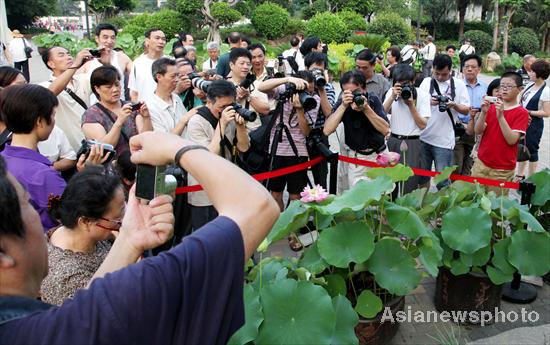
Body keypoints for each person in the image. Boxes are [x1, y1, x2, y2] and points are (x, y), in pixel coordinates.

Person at [0, 129, 279, 344]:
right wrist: (176, 147)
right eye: (27, 204)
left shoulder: (38, 327)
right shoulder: (120, 300)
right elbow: (256, 208)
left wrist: (129, 240)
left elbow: (83, 313)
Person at [41, 167, 125, 305]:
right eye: (118, 217)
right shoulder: (68, 278)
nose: (124, 219)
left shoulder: (89, 235)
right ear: (86, 222)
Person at [185, 80, 250, 230]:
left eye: (230, 105)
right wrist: (221, 124)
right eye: (221, 107)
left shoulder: (231, 116)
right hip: (204, 193)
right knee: (207, 239)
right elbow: (207, 158)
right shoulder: (197, 122)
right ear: (209, 101)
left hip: (228, 188)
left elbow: (244, 148)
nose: (226, 110)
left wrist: (240, 127)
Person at [0, 84, 66, 230]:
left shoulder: (3, 161)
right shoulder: (44, 176)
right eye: (53, 115)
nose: (54, 120)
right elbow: (71, 219)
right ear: (40, 121)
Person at [257, 72, 320, 211]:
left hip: (298, 151)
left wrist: (299, 110)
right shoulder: (285, 90)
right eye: (304, 91)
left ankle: (293, 230)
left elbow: (306, 132)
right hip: (277, 148)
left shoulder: (314, 99)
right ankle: (279, 225)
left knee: (295, 197)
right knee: (275, 193)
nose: (307, 94)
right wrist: (288, 80)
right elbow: (261, 87)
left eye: (310, 90)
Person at [324, 71, 390, 191]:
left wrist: (366, 108)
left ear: (364, 88)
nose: (353, 96)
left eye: (356, 92)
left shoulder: (373, 100)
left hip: (379, 155)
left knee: (381, 197)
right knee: (358, 197)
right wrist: (343, 106)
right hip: (357, 159)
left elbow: (385, 129)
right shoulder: (343, 104)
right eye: (348, 93)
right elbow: (327, 130)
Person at [418, 54, 470, 189]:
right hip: (424, 137)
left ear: (451, 70)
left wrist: (453, 105)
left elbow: (466, 110)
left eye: (444, 74)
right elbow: (415, 104)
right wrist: (428, 102)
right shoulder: (426, 82)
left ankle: (443, 208)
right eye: (437, 73)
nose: (440, 77)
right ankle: (421, 206)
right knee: (422, 177)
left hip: (444, 141)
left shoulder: (458, 85)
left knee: (442, 180)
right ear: (432, 69)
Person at [472, 72, 529, 195]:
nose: (503, 89)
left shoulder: (521, 113)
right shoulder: (492, 107)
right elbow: (478, 131)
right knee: (474, 200)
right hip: (481, 163)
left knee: (495, 208)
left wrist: (501, 116)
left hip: (502, 170)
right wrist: (483, 113)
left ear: (519, 89)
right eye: (502, 86)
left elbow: (512, 140)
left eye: (509, 86)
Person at [82, 65, 153, 158]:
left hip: (136, 164)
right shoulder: (91, 115)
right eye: (108, 87)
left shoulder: (130, 107)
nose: (115, 89)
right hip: (110, 169)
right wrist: (119, 122)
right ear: (97, 89)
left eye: (117, 84)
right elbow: (103, 149)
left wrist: (147, 118)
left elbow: (145, 138)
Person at [383, 64, 431, 193]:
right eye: (399, 84)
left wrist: (411, 105)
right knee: (389, 184)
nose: (403, 87)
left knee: (409, 184)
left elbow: (422, 124)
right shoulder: (392, 92)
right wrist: (392, 97)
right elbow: (381, 115)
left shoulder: (422, 95)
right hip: (393, 140)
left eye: (406, 84)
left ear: (413, 81)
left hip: (412, 142)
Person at [40, 47, 93, 151]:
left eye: (68, 54)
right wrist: (74, 66)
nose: (68, 57)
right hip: (68, 150)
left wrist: (103, 60)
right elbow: (51, 92)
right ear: (51, 64)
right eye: (61, 55)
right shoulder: (45, 86)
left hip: (89, 142)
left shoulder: (83, 79)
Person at [303, 51, 335, 189]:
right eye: (314, 70)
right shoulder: (300, 85)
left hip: (320, 135)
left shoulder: (328, 87)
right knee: (298, 179)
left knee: (320, 179)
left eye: (320, 71)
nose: (317, 74)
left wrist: (321, 89)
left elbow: (328, 112)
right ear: (306, 69)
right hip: (300, 136)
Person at [81, 23, 133, 102]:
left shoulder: (122, 58)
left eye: (112, 38)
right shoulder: (87, 59)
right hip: (96, 109)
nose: (109, 41)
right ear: (97, 39)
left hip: (119, 107)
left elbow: (137, 77)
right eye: (105, 37)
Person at [516, 59, 550, 179]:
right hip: (523, 121)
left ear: (539, 74)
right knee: (521, 147)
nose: (530, 74)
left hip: (534, 125)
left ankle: (531, 178)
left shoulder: (546, 91)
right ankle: (519, 175)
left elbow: (546, 112)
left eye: (532, 72)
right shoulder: (530, 85)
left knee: (532, 150)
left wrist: (528, 112)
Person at [454, 54, 487, 176]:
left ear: (479, 69)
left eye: (473, 67)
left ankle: (466, 192)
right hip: (460, 129)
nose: (469, 69)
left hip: (477, 132)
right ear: (462, 69)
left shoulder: (485, 87)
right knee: (456, 165)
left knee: (470, 166)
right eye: (466, 66)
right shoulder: (456, 86)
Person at [146, 57, 192, 135]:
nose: (177, 79)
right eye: (173, 76)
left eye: (178, 75)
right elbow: (165, 140)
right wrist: (183, 120)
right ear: (159, 77)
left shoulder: (176, 98)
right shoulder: (150, 107)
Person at [226, 48, 269, 131]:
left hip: (253, 133)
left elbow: (266, 110)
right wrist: (235, 101)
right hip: (230, 132)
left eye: (248, 64)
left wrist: (248, 96)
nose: (246, 67)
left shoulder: (256, 85)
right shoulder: (224, 86)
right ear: (231, 65)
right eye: (242, 63)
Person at [128, 28, 167, 102]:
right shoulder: (138, 63)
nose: (161, 42)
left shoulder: (170, 62)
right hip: (144, 111)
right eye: (157, 38)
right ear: (147, 41)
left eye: (163, 39)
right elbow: (134, 92)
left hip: (166, 110)